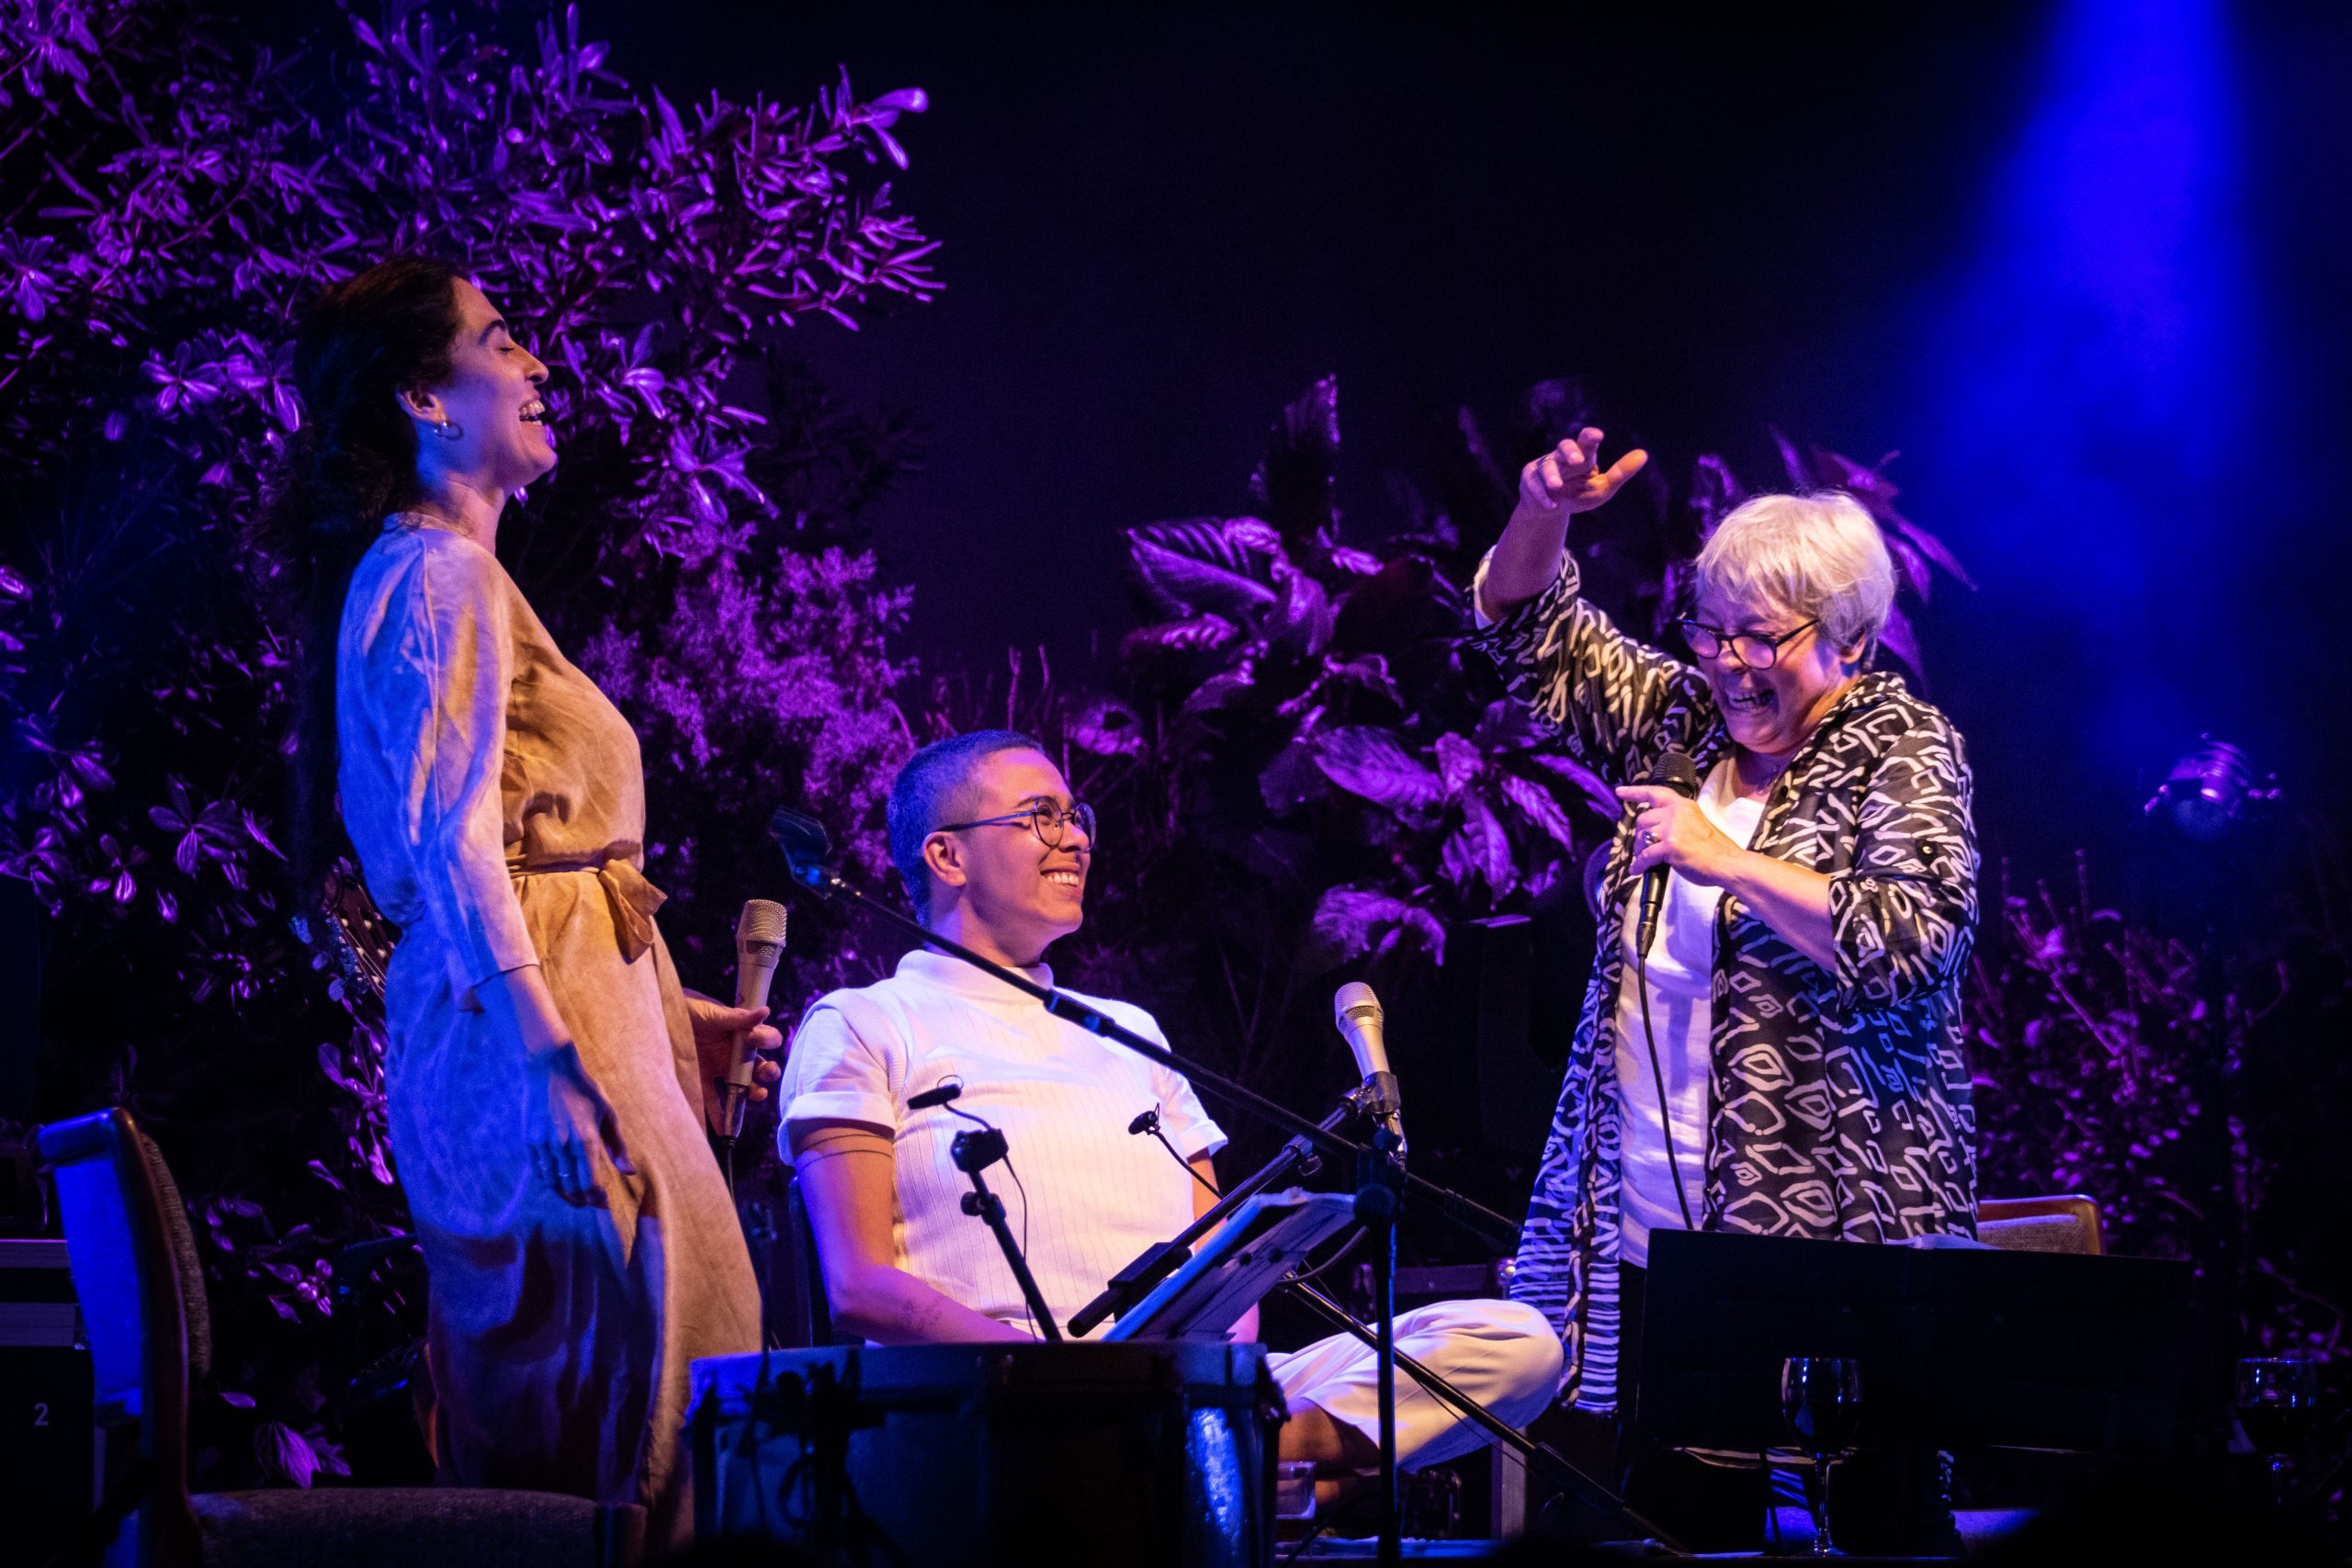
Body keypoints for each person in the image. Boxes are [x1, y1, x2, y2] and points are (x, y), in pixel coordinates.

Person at [263, 256, 781, 1547]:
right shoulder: (439, 577)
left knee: (640, 1396)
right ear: (426, 398)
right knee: (662, 1391)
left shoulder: (441, 577)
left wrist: (672, 1011)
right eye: (501, 341)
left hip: (550, 1019)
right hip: (528, 1042)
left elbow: (526, 859)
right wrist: (556, 1055)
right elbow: (456, 849)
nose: (538, 362)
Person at [776, 730, 1564, 1494]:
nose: (1075, 839)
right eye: (1039, 815)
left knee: (1517, 1345)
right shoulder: (864, 1022)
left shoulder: (1132, 1032)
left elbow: (1229, 1259)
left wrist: (1224, 1375)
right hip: (997, 1401)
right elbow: (861, 1286)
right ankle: (1233, 1471)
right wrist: (1060, 1373)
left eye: (1075, 815)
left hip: (1185, 1387)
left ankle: (1223, 1451)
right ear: (947, 854)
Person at [1467, 429, 1980, 1551]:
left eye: (1764, 638)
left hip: (1840, 1226)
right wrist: (1540, 507)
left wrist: (1726, 857)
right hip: (1652, 1215)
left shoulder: (1898, 746)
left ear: (1847, 634)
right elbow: (1525, 627)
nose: (1731, 662)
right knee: (1673, 1523)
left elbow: (1914, 939)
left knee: (1867, 1517)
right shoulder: (1681, 720)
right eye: (1711, 632)